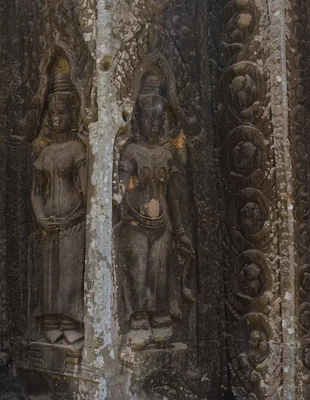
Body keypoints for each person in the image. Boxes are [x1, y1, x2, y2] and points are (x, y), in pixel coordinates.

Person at [115, 68, 194, 350]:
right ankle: (137, 318)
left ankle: (159, 316)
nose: (152, 123)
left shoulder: (167, 153)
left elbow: (173, 195)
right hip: (134, 224)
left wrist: (181, 230)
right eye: (148, 117)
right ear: (138, 118)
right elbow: (121, 188)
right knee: (137, 268)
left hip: (162, 225)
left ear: (164, 121)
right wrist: (115, 203)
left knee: (160, 269)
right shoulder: (130, 152)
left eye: (157, 118)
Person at [31, 69, 87, 345]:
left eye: (61, 114)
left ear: (73, 114)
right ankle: (50, 319)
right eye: (52, 115)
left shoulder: (78, 150)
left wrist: (77, 216)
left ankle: (69, 319)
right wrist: (40, 217)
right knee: (49, 274)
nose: (56, 119)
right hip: (49, 224)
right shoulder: (44, 153)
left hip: (73, 222)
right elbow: (36, 192)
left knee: (70, 271)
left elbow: (88, 191)